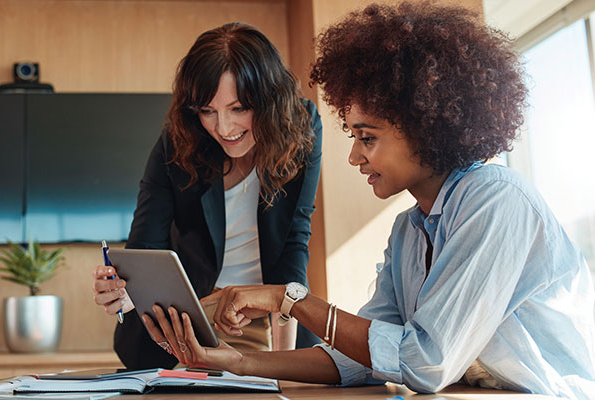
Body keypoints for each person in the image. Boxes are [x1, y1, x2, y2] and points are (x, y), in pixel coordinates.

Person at [141, 3, 595, 399]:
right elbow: (359, 359)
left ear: (425, 127)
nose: (354, 156)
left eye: (368, 138)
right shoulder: (408, 233)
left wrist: (288, 297)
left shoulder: (497, 201)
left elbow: (424, 362)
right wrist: (238, 363)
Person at [91, 22, 324, 370]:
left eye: (239, 108)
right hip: (188, 322)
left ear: (270, 100)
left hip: (271, 317)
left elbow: (294, 240)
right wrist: (124, 291)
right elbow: (146, 247)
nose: (224, 128)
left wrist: (284, 364)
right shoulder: (179, 140)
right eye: (207, 111)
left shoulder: (301, 127)